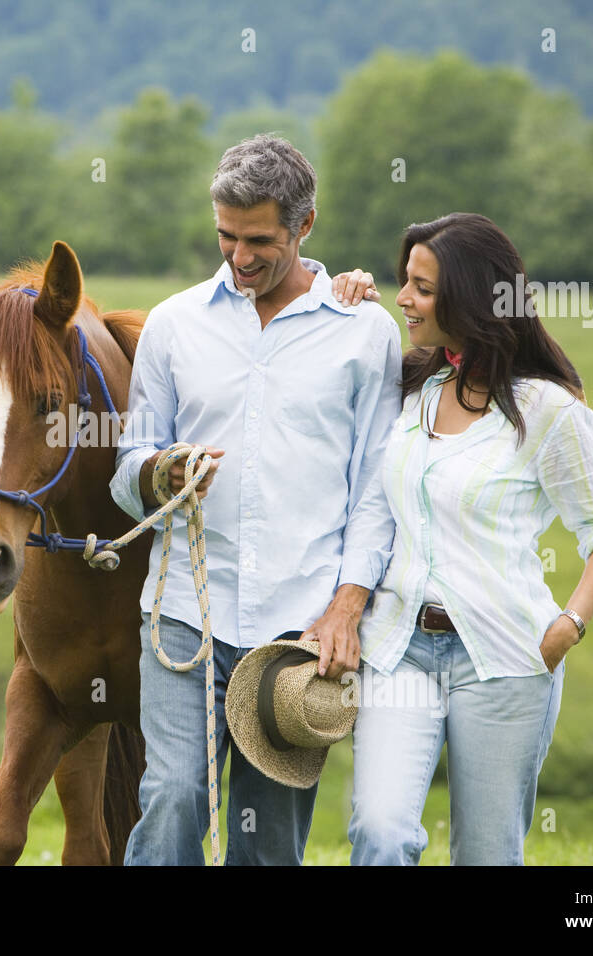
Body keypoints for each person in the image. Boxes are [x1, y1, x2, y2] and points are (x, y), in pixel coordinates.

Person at [110, 133, 401, 865]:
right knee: (173, 797)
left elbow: (376, 490)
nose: (240, 257)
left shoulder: (365, 335)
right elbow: (128, 466)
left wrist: (346, 607)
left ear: (305, 225)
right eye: (226, 237)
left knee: (267, 841)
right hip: (185, 615)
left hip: (298, 629)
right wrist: (160, 475)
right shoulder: (175, 325)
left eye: (260, 240)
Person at [348, 212, 593, 866]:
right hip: (399, 652)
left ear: (469, 297)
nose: (405, 299)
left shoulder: (549, 411)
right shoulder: (414, 391)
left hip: (507, 659)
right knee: (379, 832)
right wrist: (336, 295)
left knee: (486, 855)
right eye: (403, 282)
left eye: (421, 288)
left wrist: (568, 624)